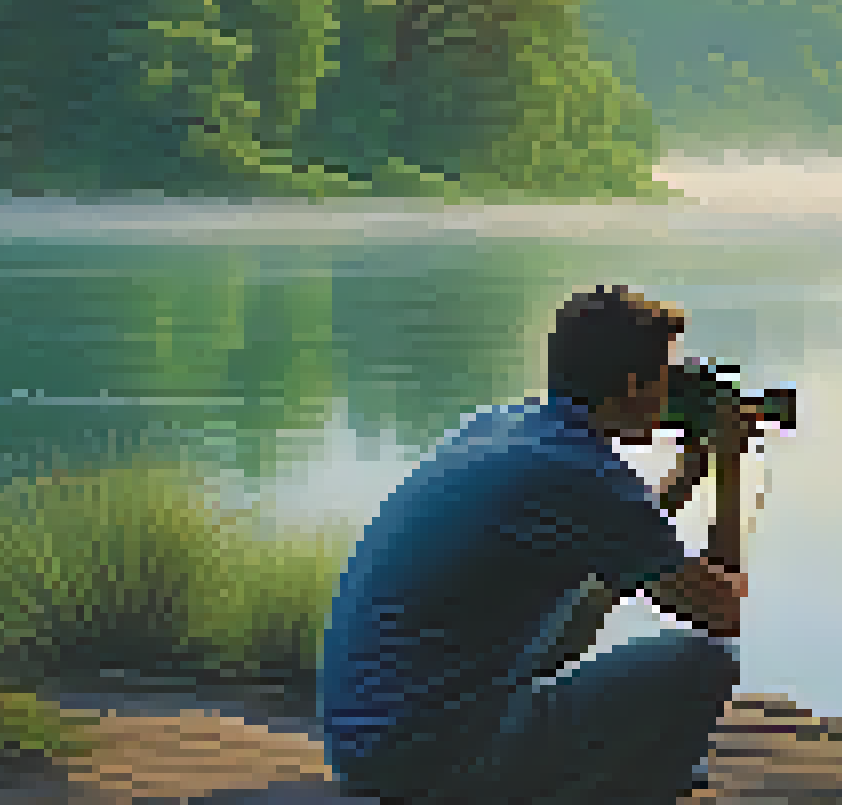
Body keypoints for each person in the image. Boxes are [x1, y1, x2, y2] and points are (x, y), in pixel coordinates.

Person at [318, 285, 751, 805]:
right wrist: (730, 472)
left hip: (362, 741)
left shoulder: (505, 427)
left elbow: (617, 554)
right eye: (668, 377)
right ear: (634, 384)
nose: (673, 394)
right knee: (704, 663)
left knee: (582, 600)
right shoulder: (580, 472)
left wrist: (681, 486)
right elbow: (720, 615)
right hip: (428, 759)